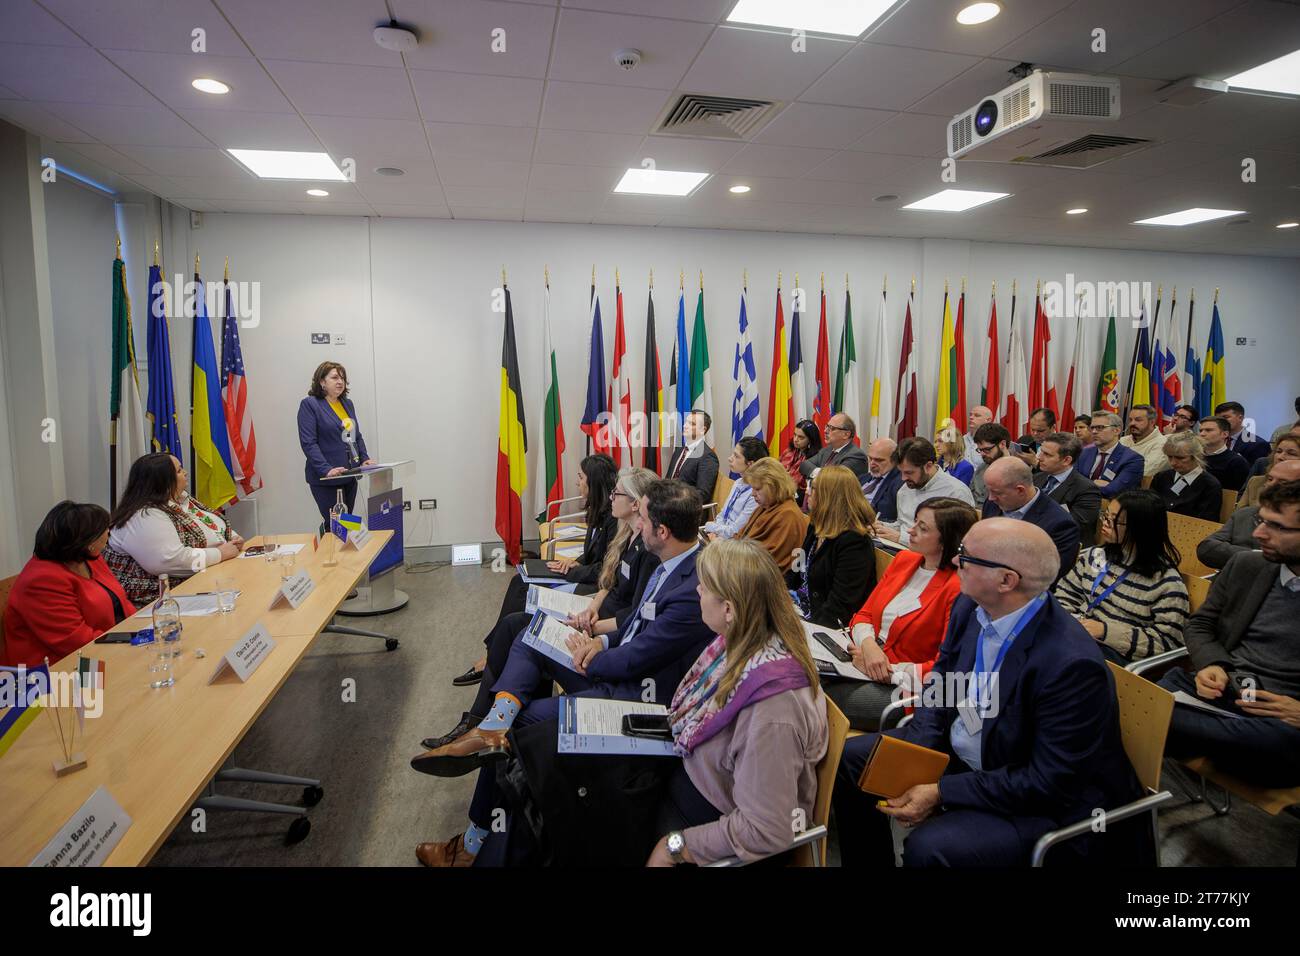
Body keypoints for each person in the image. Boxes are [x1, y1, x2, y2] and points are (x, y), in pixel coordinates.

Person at [472, 538, 829, 867]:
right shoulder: (737, 644)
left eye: (705, 587)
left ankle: (483, 851)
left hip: (698, 812)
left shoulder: (773, 710)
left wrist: (675, 846)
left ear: (731, 609)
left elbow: (766, 829)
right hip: (680, 766)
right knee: (538, 758)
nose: (697, 590)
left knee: (551, 799)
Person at [412, 479, 714, 866]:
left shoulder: (690, 587)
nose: (638, 519)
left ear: (662, 531)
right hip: (618, 669)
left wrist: (591, 656)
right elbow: (637, 623)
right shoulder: (670, 563)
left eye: (644, 515)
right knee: (529, 634)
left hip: (637, 701)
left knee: (519, 735)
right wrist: (600, 644)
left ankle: (473, 845)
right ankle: (492, 723)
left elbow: (641, 656)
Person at [832, 519, 1145, 866]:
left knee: (930, 848)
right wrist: (919, 747)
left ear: (1006, 580)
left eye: (966, 556)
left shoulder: (1071, 665)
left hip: (1038, 798)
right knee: (853, 761)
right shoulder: (972, 607)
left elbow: (1048, 781)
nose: (954, 561)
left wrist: (941, 792)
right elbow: (943, 679)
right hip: (970, 751)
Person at [432, 467, 660, 746]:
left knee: (519, 628)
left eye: (618, 493)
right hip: (593, 615)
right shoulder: (629, 535)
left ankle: (482, 721)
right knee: (515, 622)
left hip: (601, 636)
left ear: (637, 504)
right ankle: (481, 719)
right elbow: (609, 584)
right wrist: (592, 608)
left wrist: (592, 627)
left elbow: (633, 617)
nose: (612, 496)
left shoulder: (649, 553)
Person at [1158, 480, 1300, 788]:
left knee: (1139, 710)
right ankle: (1193, 734)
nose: (1258, 534)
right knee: (1155, 693)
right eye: (1261, 521)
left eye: (1276, 526)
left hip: (1281, 718)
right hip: (1227, 693)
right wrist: (1213, 665)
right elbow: (1200, 625)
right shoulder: (1248, 564)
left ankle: (1173, 729)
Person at [824, 498, 977, 732]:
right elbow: (863, 615)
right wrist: (869, 647)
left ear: (948, 539)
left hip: (907, 688)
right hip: (862, 659)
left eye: (922, 528)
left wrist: (886, 671)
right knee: (795, 676)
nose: (910, 530)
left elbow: (944, 669)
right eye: (915, 522)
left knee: (815, 696)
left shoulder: (957, 589)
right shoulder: (906, 560)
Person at [1056, 491, 1189, 664]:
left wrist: (1105, 632)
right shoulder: (1095, 555)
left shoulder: (1166, 584)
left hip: (1114, 655)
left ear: (1139, 528)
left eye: (1113, 520)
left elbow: (1167, 643)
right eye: (1105, 516)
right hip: (1077, 636)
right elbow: (1064, 595)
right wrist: (1071, 623)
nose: (1104, 523)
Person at [2, 502, 137, 667]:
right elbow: (74, 641)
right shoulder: (41, 581)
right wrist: (127, 644)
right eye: (104, 528)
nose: (108, 531)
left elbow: (121, 601)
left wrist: (140, 630)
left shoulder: (89, 558)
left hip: (98, 651)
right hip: (54, 673)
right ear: (87, 540)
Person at [103, 453, 243, 606]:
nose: (185, 472)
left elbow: (213, 525)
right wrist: (220, 553)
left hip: (199, 582)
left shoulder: (180, 500)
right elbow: (169, 560)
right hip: (157, 601)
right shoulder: (144, 514)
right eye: (178, 470)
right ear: (162, 481)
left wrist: (232, 539)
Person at [786, 465, 877, 628]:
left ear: (829, 497)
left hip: (823, 625)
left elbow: (840, 607)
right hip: (800, 610)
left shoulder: (854, 543)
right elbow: (796, 568)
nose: (807, 493)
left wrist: (801, 629)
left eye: (812, 489)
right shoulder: (816, 526)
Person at [297, 361, 376, 523]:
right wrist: (326, 469)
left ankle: (342, 547)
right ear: (322, 381)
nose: (340, 381)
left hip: (350, 475)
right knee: (335, 524)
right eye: (334, 377)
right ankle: (330, 548)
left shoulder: (347, 403)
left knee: (346, 523)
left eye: (342, 378)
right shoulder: (310, 404)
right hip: (328, 478)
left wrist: (364, 459)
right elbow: (308, 443)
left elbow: (356, 435)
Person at [981, 457, 1080, 585]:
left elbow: (1047, 578)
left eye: (996, 492)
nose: (991, 498)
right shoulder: (993, 504)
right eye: (989, 491)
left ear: (1020, 490)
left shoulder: (1060, 525)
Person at [1197, 459, 1300, 569]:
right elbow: (1207, 548)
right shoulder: (1245, 514)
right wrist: (1256, 556)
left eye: (1283, 482)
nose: (1271, 485)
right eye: (1270, 479)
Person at [876, 437, 974, 546]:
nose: (903, 478)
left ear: (928, 466)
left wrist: (900, 538)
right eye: (901, 472)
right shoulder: (905, 490)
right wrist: (882, 527)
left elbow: (954, 542)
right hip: (899, 550)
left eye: (909, 472)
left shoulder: (956, 493)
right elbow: (903, 525)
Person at [736, 458, 808, 573]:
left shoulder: (788, 516)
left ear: (774, 486)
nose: (753, 494)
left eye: (757, 489)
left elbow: (770, 563)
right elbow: (741, 536)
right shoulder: (765, 506)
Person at [1034, 432, 1102, 547]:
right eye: (1041, 451)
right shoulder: (1035, 478)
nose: (1039, 457)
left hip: (1064, 548)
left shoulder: (1087, 490)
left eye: (1047, 454)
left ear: (1066, 460)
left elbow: (1072, 526)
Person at [1149, 432, 1223, 521]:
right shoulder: (1161, 477)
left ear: (1196, 456)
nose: (1173, 463)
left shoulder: (1210, 485)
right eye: (1169, 457)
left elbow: (1206, 521)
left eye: (1180, 458)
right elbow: (1149, 507)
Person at [703, 437, 766, 539]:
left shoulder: (756, 494)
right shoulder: (738, 483)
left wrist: (710, 526)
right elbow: (723, 514)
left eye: (736, 456)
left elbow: (735, 532)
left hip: (735, 545)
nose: (730, 458)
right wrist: (715, 532)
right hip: (719, 536)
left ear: (750, 464)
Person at [1076, 411, 1144, 496]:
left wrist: (1082, 486)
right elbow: (1070, 482)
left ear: (1116, 430)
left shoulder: (1133, 459)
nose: (1094, 432)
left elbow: (1114, 490)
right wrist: (1094, 483)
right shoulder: (1083, 453)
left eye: (1100, 427)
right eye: (1092, 428)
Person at [664, 409, 718, 500]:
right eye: (686, 422)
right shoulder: (679, 451)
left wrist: (674, 500)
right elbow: (668, 479)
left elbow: (702, 494)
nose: (685, 426)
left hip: (684, 507)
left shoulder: (708, 457)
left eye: (692, 424)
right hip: (667, 500)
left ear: (702, 430)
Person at [799, 413, 870, 481]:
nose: (825, 431)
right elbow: (804, 465)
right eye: (827, 426)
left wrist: (817, 473)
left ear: (846, 434)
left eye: (832, 428)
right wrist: (820, 474)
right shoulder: (827, 450)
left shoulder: (856, 456)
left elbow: (835, 480)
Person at [1197, 415, 1250, 492]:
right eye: (1201, 430)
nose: (1202, 434)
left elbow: (1237, 494)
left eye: (1208, 430)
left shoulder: (1236, 461)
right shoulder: (1193, 457)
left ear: (1225, 434)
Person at [970, 422, 1013, 508]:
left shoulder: (1018, 470)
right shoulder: (981, 468)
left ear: (1002, 444)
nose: (982, 454)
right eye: (979, 450)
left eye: (986, 449)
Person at [1215, 401, 1271, 466]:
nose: (1221, 422)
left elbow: (1257, 472)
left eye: (1226, 417)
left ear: (1240, 418)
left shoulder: (1258, 444)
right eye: (1218, 419)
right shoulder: (1214, 440)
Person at [1119, 404, 1168, 476]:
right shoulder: (1123, 440)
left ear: (1152, 422)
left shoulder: (1162, 444)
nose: (1132, 423)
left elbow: (1144, 471)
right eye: (1130, 420)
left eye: (1138, 420)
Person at [779, 419, 821, 504]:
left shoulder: (816, 459)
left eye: (801, 437)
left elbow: (807, 488)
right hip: (781, 490)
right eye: (795, 435)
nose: (795, 439)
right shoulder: (789, 451)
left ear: (811, 440)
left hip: (799, 498)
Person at [861, 438, 903, 522]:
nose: (872, 464)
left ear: (894, 460)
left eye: (878, 460)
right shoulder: (862, 478)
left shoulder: (900, 483)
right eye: (870, 458)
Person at [935, 418, 974, 485]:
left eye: (940, 441)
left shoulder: (966, 467)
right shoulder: (936, 464)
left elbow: (961, 493)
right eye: (935, 441)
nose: (936, 445)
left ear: (952, 443)